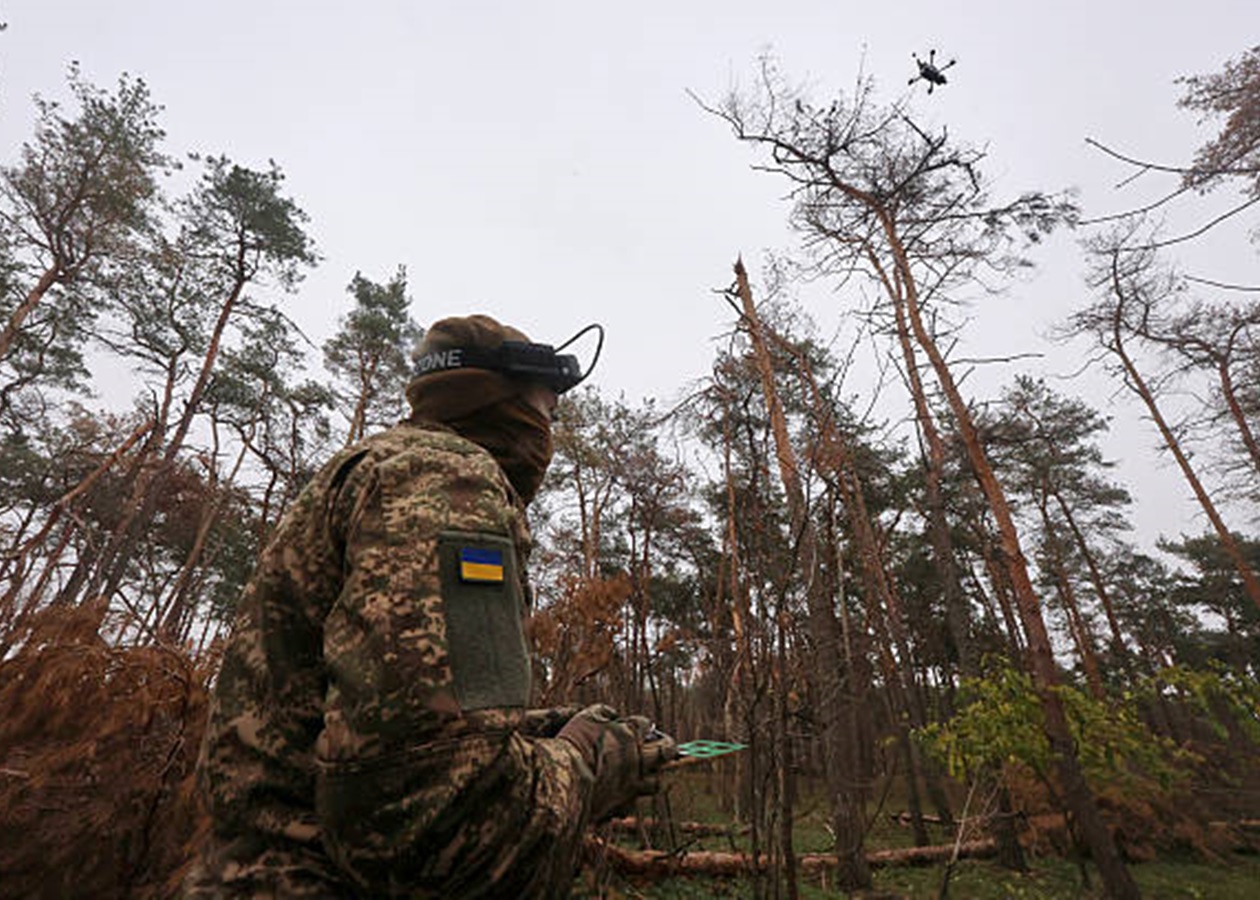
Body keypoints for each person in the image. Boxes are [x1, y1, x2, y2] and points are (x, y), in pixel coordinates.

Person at [186, 314, 676, 898]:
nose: (551, 430)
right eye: (548, 410)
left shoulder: (373, 469)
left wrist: (536, 731)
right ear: (504, 401)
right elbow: (434, 822)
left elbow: (357, 724)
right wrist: (594, 762)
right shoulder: (447, 480)